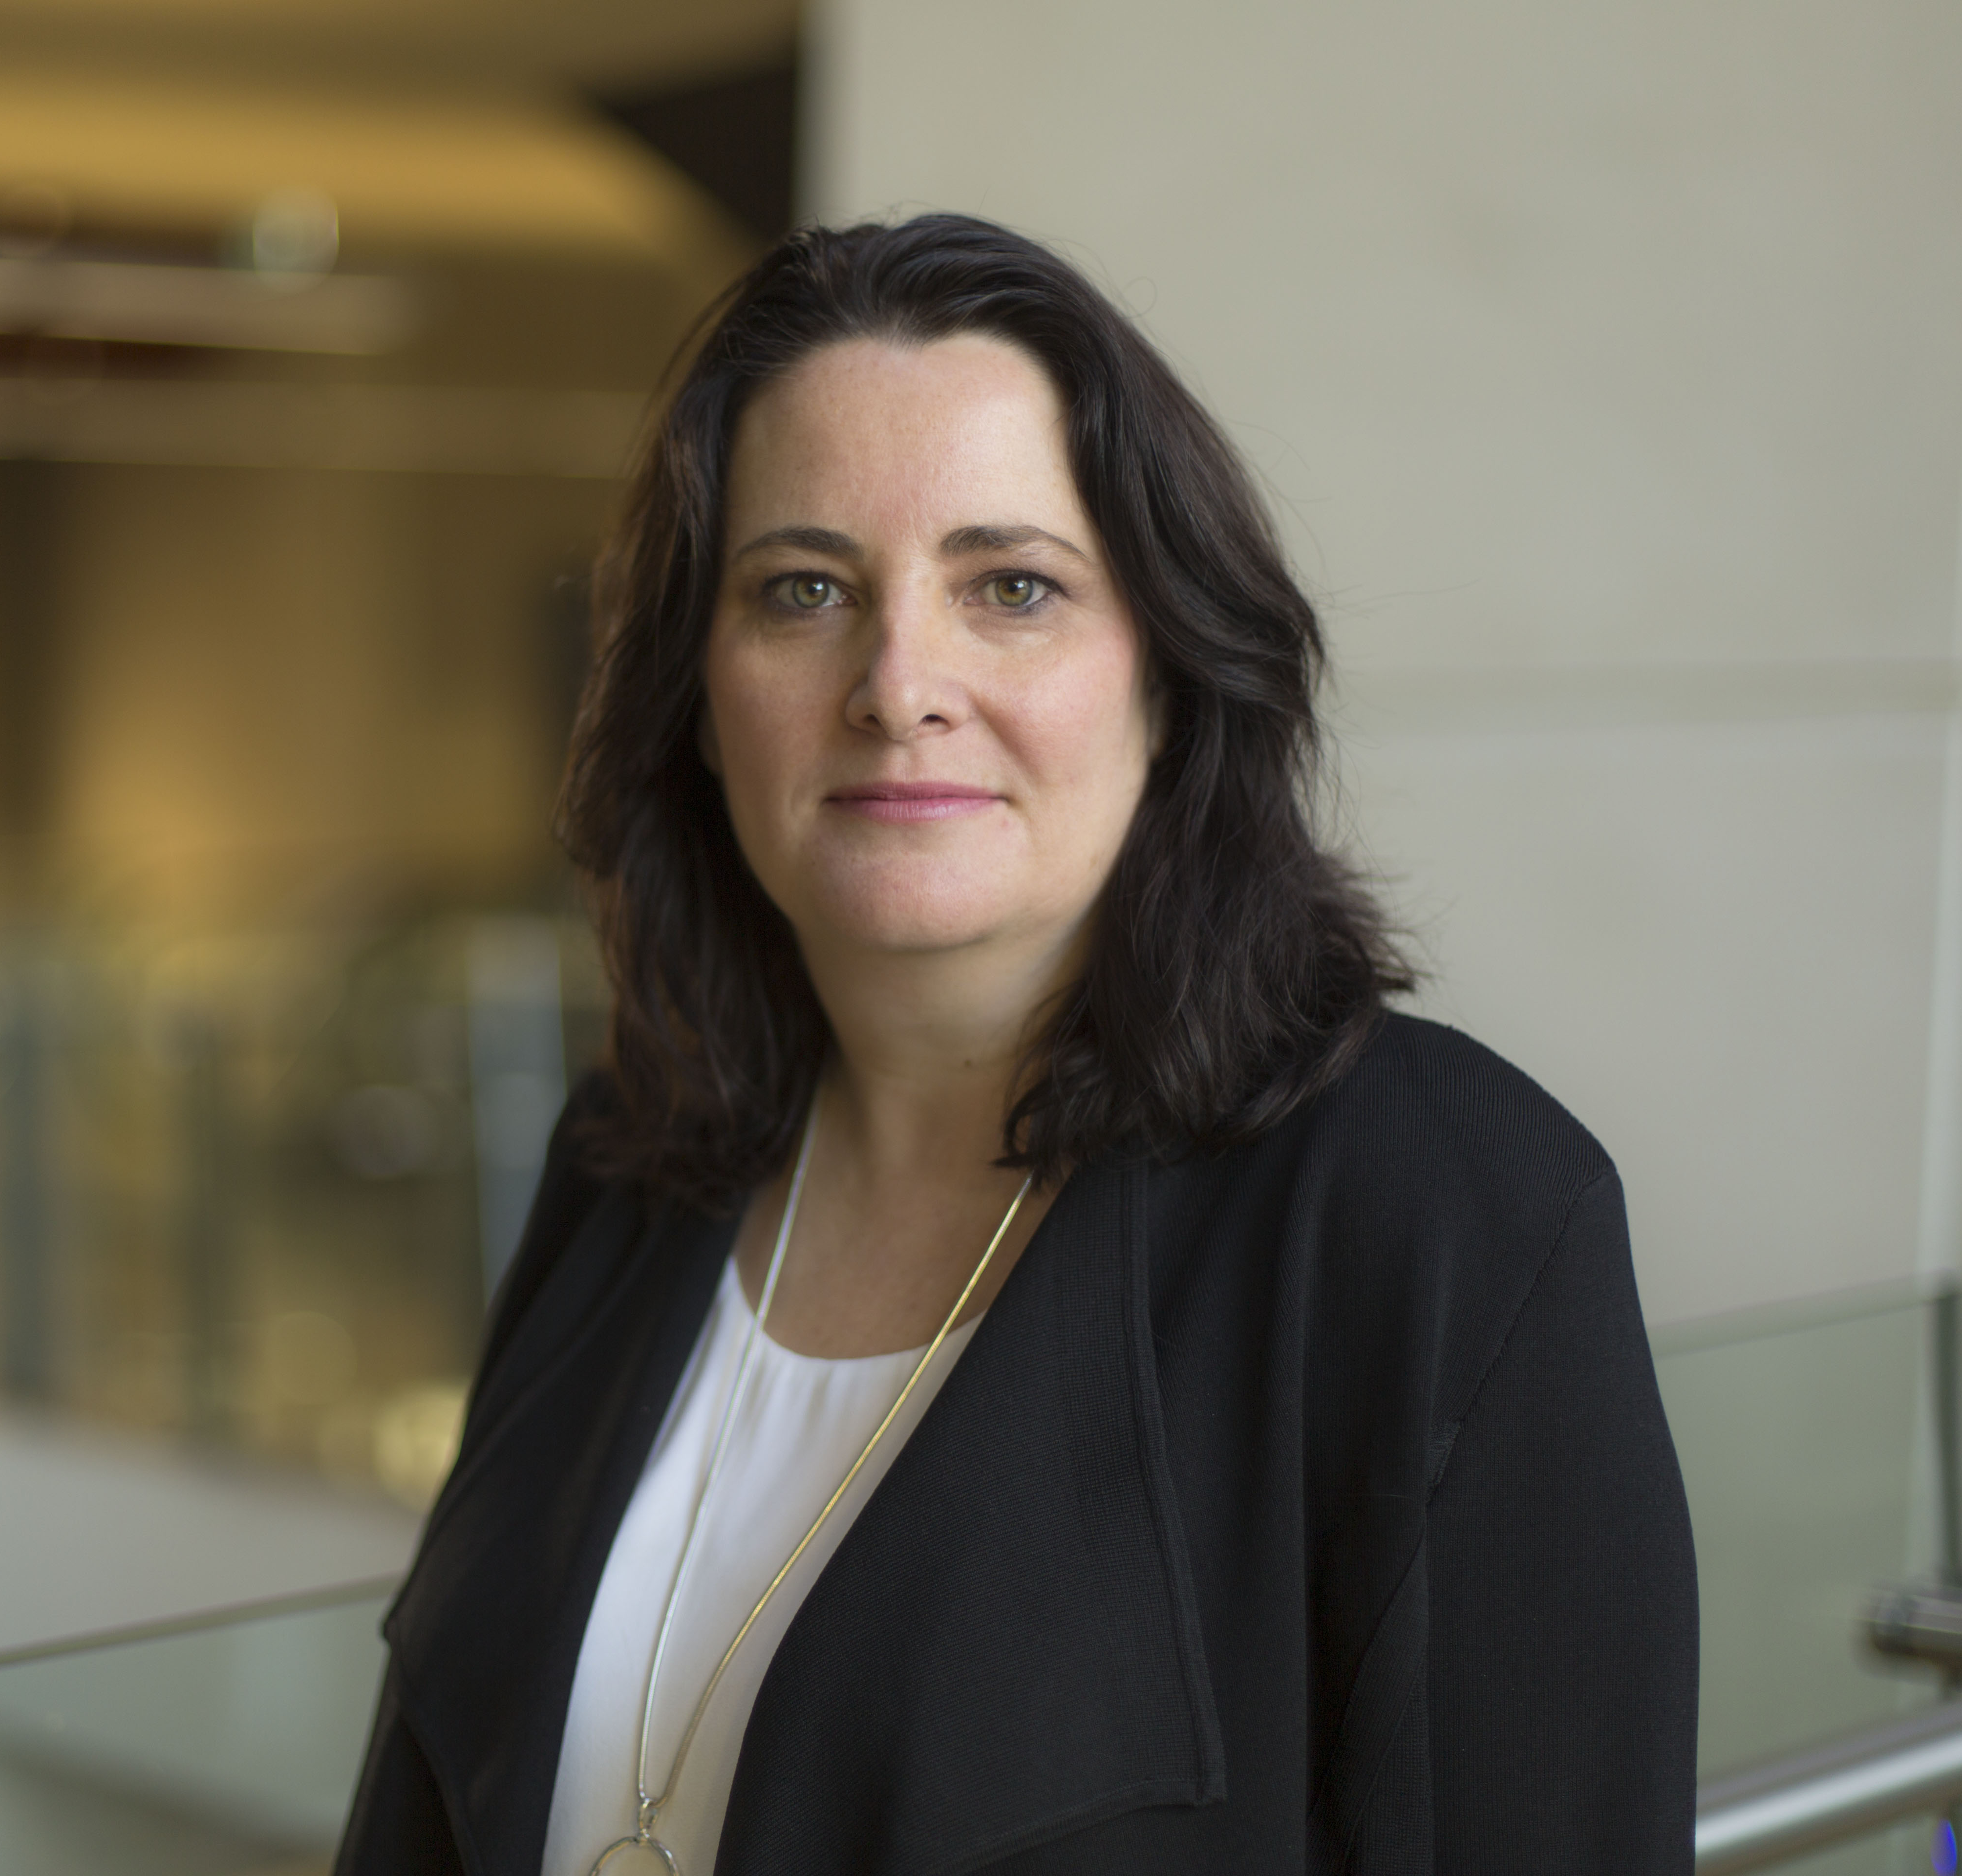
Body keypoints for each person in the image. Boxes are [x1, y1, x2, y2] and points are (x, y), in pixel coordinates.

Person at [339, 213, 1697, 1876]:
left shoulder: (1448, 1216)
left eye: (1014, 587)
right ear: (698, 696)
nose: (899, 683)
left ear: (1172, 675)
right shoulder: (630, 1159)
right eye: (805, 589)